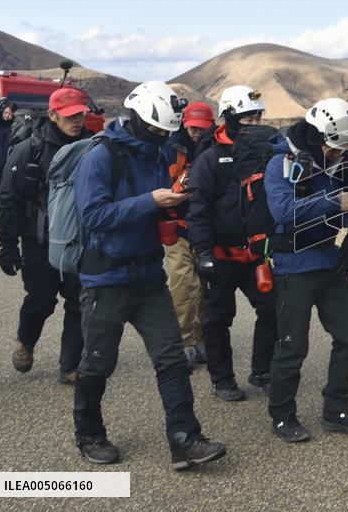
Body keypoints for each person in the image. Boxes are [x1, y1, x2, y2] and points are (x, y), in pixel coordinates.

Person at [72, 81, 226, 469]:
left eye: (165, 132)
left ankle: (185, 439)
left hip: (147, 276)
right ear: (136, 118)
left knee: (172, 359)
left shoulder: (159, 154)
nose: (161, 137)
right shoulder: (100, 157)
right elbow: (93, 217)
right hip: (105, 280)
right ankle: (89, 433)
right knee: (96, 363)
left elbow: (149, 208)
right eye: (156, 130)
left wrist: (169, 208)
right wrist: (150, 202)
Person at [265, 98, 348, 442]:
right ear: (316, 135)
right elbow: (283, 211)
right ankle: (283, 416)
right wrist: (334, 202)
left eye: (341, 150)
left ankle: (336, 408)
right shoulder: (280, 163)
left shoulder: (336, 163)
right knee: (292, 346)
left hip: (329, 262)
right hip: (294, 266)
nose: (335, 155)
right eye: (331, 149)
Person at [186, 86, 276, 401]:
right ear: (230, 117)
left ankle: (262, 371)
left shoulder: (268, 153)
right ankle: (222, 379)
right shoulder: (210, 158)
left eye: (257, 116)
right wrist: (205, 254)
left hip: (256, 255)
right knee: (218, 318)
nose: (254, 122)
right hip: (221, 256)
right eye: (247, 116)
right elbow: (197, 211)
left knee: (272, 309)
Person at [0, 89, 90, 382]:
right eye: (69, 115)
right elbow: (8, 198)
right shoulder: (29, 149)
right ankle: (26, 342)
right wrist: (8, 245)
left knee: (79, 301)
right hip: (39, 241)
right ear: (52, 115)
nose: (76, 120)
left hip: (79, 240)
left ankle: (70, 366)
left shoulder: (91, 147)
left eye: (80, 114)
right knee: (41, 299)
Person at [164, 101, 215, 372]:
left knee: (206, 288)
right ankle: (183, 344)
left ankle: (200, 338)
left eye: (203, 128)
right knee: (184, 285)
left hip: (206, 229)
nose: (198, 133)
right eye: (194, 128)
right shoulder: (169, 149)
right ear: (185, 123)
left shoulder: (217, 149)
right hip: (178, 228)